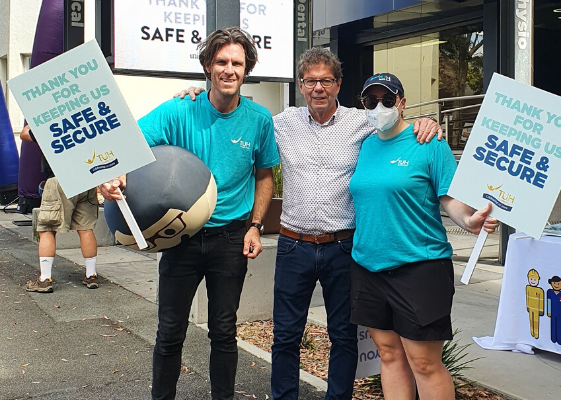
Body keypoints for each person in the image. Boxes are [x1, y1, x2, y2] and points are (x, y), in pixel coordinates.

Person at [176, 47, 441, 400]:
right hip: (293, 245)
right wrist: (195, 94)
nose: (319, 88)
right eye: (311, 81)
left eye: (326, 81)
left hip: (343, 247)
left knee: (343, 336)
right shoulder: (280, 123)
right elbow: (241, 121)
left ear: (338, 84)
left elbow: (397, 124)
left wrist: (427, 122)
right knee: (286, 335)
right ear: (301, 85)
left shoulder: (362, 123)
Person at [100, 27, 280, 400]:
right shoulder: (179, 109)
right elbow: (126, 143)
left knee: (224, 332)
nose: (229, 70)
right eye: (221, 62)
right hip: (181, 236)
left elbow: (264, 177)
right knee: (170, 332)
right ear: (207, 66)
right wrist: (111, 174)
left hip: (231, 239)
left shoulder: (260, 119)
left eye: (237, 63)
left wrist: (255, 227)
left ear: (247, 70)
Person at [348, 73, 499, 400]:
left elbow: (450, 198)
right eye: (370, 101)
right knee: (388, 354)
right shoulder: (365, 145)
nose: (379, 107)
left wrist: (469, 219)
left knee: (425, 363)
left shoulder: (429, 143)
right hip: (368, 267)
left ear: (402, 103)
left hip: (420, 267)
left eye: (387, 100)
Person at [21, 125, 99, 293]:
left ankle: (44, 280)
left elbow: (24, 134)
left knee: (47, 229)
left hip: (58, 179)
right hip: (87, 178)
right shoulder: (86, 120)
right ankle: (91, 275)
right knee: (85, 228)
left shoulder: (52, 123)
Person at [547, 275, 561, 345]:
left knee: (560, 326)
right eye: (554, 283)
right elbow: (548, 302)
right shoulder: (550, 292)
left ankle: (560, 340)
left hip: (560, 313)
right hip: (553, 312)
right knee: (553, 325)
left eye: (558, 283)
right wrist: (549, 311)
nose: (556, 285)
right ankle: (553, 339)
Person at [526, 269, 544, 339]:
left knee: (536, 321)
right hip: (530, 307)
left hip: (536, 308)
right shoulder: (528, 288)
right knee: (531, 320)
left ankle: (536, 334)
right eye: (531, 279)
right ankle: (531, 333)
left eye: (535, 280)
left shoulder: (540, 290)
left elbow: (541, 300)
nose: (533, 281)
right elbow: (527, 297)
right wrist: (527, 306)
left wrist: (541, 310)